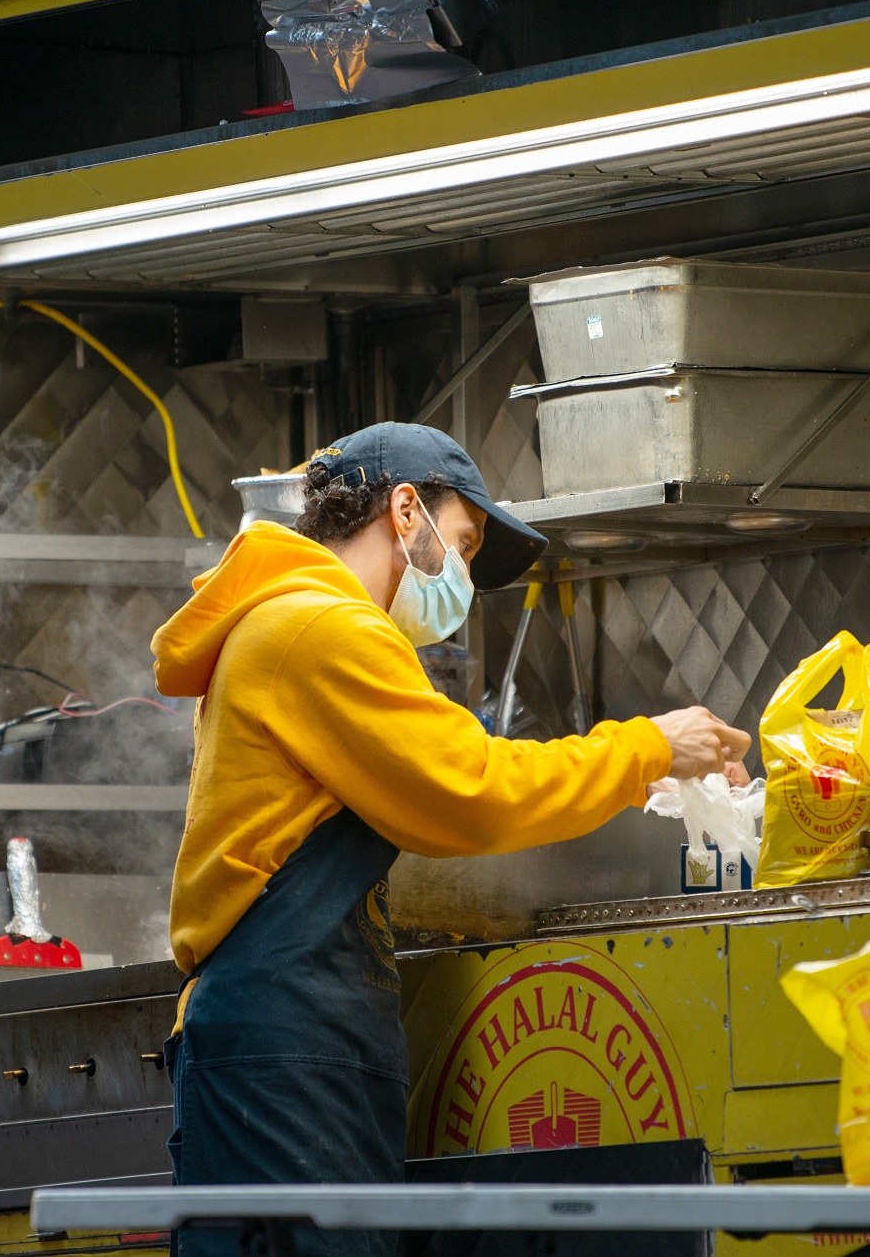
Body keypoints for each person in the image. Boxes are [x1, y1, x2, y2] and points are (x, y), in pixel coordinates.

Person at [151, 422, 749, 1254]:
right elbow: (469, 792)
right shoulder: (321, 629)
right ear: (404, 511)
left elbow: (441, 789)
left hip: (284, 1029)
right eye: (462, 543)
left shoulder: (288, 623)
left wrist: (630, 768)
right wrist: (648, 745)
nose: (462, 575)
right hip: (285, 1035)